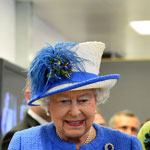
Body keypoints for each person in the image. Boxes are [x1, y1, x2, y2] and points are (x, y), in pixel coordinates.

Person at [8, 41, 142, 150]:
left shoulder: (126, 144)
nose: (74, 112)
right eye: (64, 101)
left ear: (96, 100)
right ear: (47, 105)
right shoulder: (23, 143)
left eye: (83, 100)